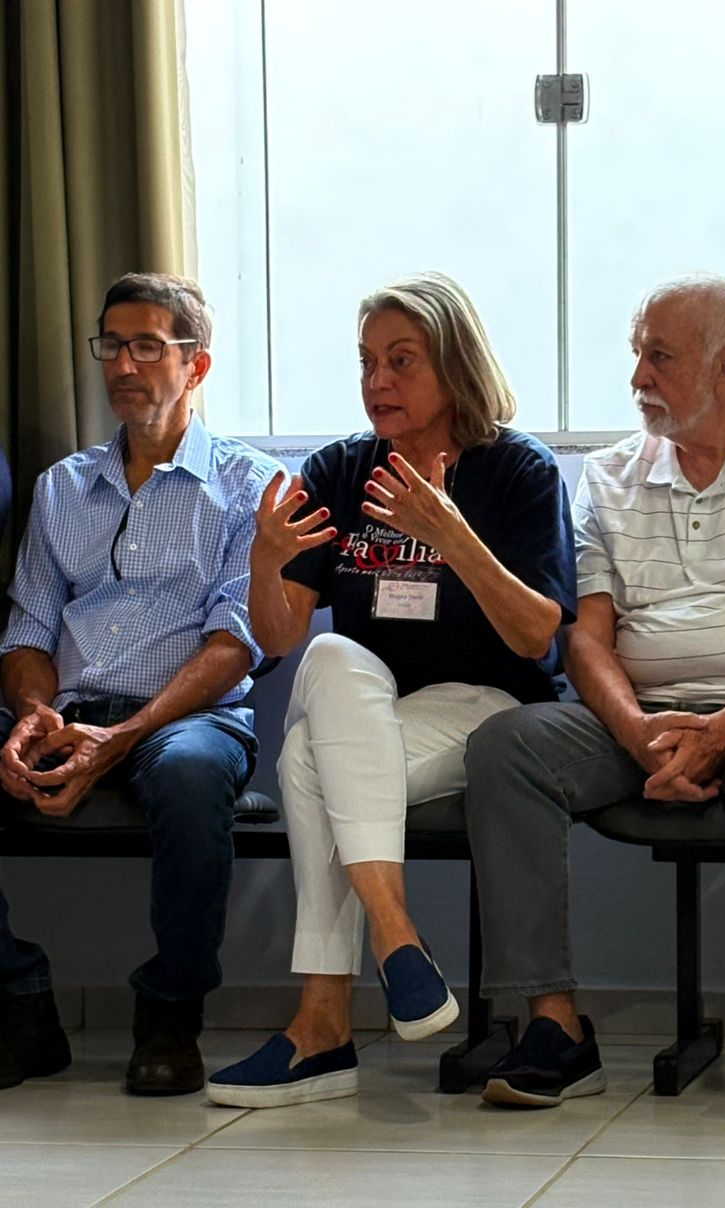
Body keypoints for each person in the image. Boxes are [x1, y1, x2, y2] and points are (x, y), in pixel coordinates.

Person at [464, 273, 725, 1116]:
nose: (639, 378)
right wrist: (635, 731)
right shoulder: (610, 475)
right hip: (647, 722)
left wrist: (723, 730)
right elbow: (587, 638)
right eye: (637, 354)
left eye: (660, 357)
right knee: (507, 747)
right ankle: (554, 1026)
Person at [207, 272, 576, 1108]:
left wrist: (451, 533)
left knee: (307, 761)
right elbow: (280, 637)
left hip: (486, 708)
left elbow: (535, 637)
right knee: (331, 659)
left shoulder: (518, 469)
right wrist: (264, 562)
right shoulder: (341, 469)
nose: (378, 381)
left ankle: (323, 1025)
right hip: (371, 707)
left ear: (455, 364)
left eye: (401, 360)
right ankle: (396, 934)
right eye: (367, 361)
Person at [0, 272, 280, 1096]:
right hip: (68, 709)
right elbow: (29, 627)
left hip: (189, 720)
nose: (123, 365)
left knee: (191, 774)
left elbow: (235, 643)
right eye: (112, 346)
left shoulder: (250, 486)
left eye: (148, 347)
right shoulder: (62, 487)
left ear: (197, 366)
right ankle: (18, 1000)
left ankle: (170, 1015)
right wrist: (32, 715)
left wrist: (121, 737)